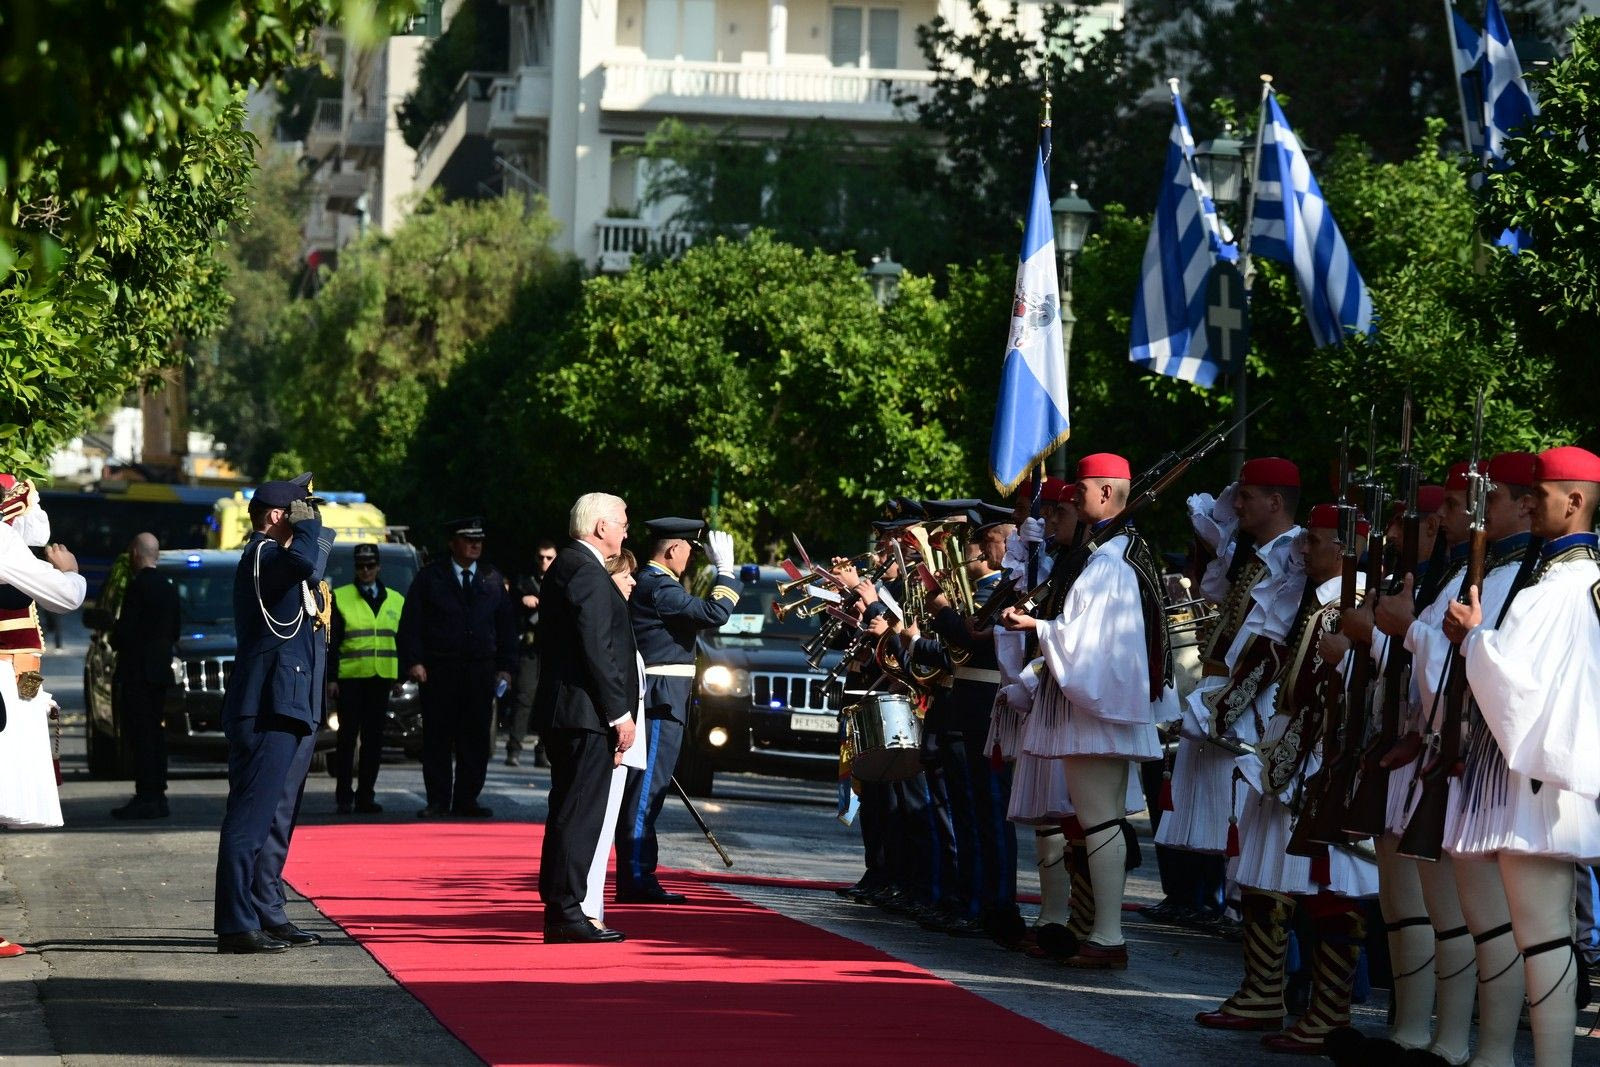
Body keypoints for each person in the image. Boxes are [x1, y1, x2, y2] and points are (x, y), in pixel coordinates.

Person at [1446, 444, 1600, 1066]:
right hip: (1548, 777)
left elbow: (1516, 688)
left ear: (1575, 501)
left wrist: (1473, 640)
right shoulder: (1573, 583)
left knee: (1541, 939)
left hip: (1540, 781)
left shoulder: (1560, 589)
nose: (1530, 504)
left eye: (1539, 495)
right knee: (1540, 936)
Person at [1002, 453, 1171, 970]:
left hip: (1096, 712)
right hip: (1101, 709)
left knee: (1099, 821)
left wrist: (1037, 629)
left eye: (1078, 493)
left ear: (1102, 495)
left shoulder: (1109, 562)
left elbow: (1083, 638)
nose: (1071, 502)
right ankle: (1094, 929)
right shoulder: (1115, 553)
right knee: (1098, 821)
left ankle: (1107, 935)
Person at [212, 475, 329, 954]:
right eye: (302, 509)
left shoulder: (274, 559)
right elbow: (307, 560)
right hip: (265, 706)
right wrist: (313, 529)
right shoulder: (263, 554)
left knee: (267, 819)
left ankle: (259, 910)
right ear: (278, 516)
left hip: (282, 703)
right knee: (249, 820)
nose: (311, 516)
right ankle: (236, 923)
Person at [613, 516, 741, 905]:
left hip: (665, 701)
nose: (691, 559)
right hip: (660, 703)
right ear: (673, 550)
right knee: (645, 795)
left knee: (649, 792)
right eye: (689, 551)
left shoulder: (656, 584)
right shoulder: (659, 587)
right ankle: (636, 878)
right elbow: (714, 613)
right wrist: (727, 573)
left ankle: (639, 875)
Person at [535, 492, 638, 944]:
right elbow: (599, 650)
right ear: (600, 527)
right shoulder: (587, 571)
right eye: (622, 522)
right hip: (584, 714)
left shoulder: (573, 566)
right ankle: (566, 910)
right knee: (579, 813)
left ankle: (564, 907)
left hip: (573, 712)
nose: (625, 530)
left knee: (571, 810)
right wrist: (620, 713)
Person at [0, 477, 85, 960]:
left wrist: (37, 693)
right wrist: (71, 571)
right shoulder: (5, 542)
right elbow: (67, 597)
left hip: (16, 683)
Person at [397, 517, 518, 818]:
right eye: (468, 539)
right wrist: (414, 661)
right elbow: (411, 623)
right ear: (453, 543)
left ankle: (467, 798)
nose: (476, 544)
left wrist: (506, 668)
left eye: (479, 539)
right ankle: (438, 799)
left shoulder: (491, 578)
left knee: (475, 738)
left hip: (479, 671)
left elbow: (506, 626)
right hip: (440, 670)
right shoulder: (430, 577)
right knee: (437, 737)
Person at [581, 549, 647, 934]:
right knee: (598, 829)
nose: (633, 582)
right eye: (626, 575)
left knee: (605, 832)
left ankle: (593, 908)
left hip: (622, 745)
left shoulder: (621, 618)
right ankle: (587, 909)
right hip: (612, 743)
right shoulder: (608, 618)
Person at [328, 543, 404, 815]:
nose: (365, 571)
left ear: (378, 567)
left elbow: (402, 641)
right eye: (361, 566)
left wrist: (400, 676)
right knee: (347, 740)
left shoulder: (395, 599)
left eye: (370, 566)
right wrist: (332, 678)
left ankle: (366, 796)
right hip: (350, 679)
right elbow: (332, 641)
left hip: (381, 679)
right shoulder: (341, 597)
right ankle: (344, 797)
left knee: (374, 741)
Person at [108, 533, 180, 819]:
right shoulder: (169, 586)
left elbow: (126, 631)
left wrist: (115, 639)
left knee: (140, 736)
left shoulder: (138, 587)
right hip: (159, 672)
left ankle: (146, 796)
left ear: (136, 554)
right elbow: (175, 630)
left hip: (138, 672)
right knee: (156, 735)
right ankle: (157, 794)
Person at [506, 539, 556, 768]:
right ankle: (514, 749)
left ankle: (543, 750)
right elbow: (510, 609)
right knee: (524, 698)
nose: (544, 562)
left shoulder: (559, 583)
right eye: (541, 557)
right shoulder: (524, 583)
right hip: (529, 649)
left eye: (549, 558)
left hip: (551, 651)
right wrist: (521, 599)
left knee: (549, 701)